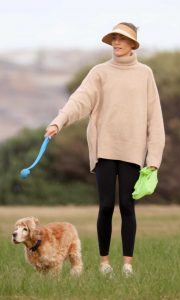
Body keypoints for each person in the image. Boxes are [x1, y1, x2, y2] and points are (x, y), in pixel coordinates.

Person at [45, 22, 165, 277]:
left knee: (127, 206)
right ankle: (104, 264)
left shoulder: (145, 73)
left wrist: (153, 159)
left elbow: (155, 118)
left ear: (133, 44)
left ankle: (127, 266)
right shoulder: (99, 72)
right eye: (113, 38)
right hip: (104, 148)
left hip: (133, 149)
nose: (116, 43)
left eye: (121, 39)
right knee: (106, 205)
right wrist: (59, 121)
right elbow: (80, 99)